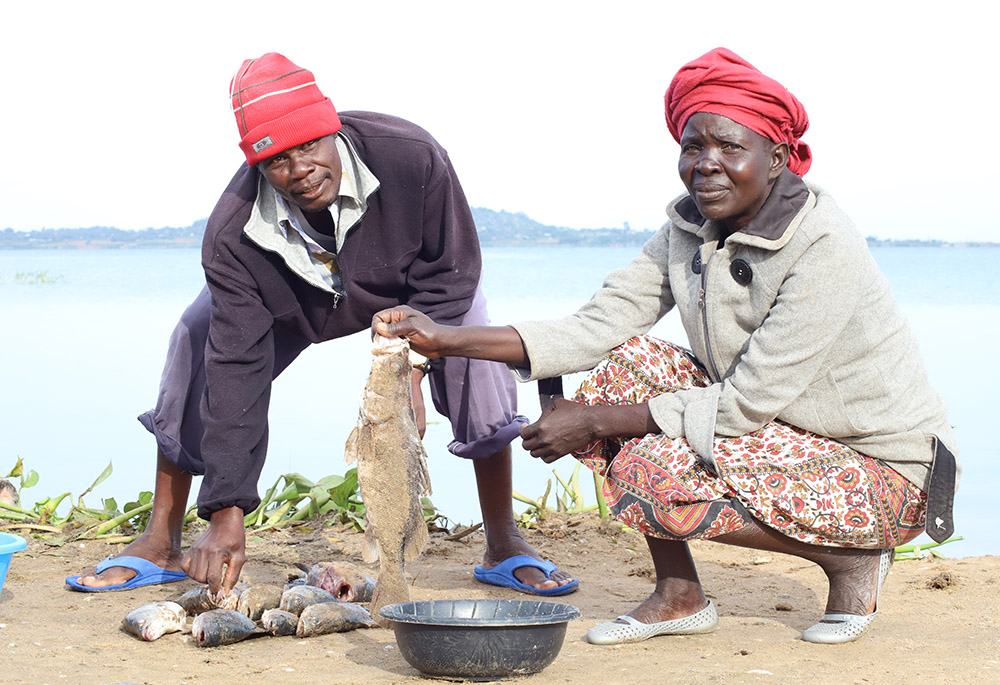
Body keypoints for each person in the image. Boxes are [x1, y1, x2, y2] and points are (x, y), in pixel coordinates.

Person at [372, 47, 959, 645]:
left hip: (883, 469)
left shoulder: (824, 245)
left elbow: (746, 403)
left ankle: (851, 559)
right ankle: (679, 595)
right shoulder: (688, 227)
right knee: (633, 364)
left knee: (651, 463)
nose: (706, 165)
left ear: (777, 157)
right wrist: (444, 339)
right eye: (692, 147)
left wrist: (594, 421)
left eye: (730, 148)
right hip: (782, 436)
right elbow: (598, 325)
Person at [66, 52, 576, 597]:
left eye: (308, 146)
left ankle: (503, 540)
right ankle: (162, 537)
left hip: (404, 299)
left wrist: (414, 370)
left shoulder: (412, 157)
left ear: (332, 129)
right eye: (277, 161)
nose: (300, 170)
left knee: (473, 328)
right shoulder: (232, 234)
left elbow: (451, 274)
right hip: (290, 304)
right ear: (258, 166)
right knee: (196, 334)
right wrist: (227, 507)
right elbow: (236, 368)